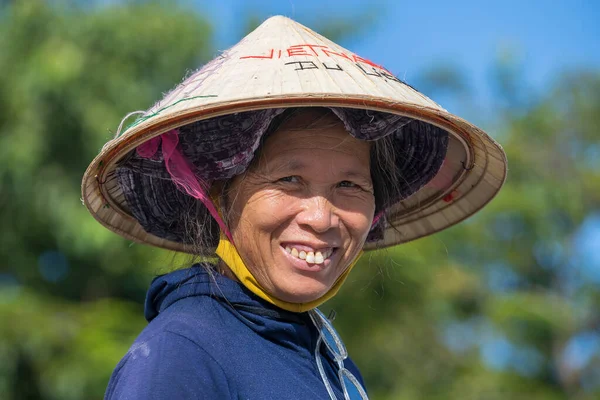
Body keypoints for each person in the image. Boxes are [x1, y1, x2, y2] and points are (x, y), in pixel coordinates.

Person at [82, 16, 506, 400]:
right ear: (216, 194)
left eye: (349, 185)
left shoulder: (331, 364)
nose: (321, 218)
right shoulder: (183, 354)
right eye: (288, 180)